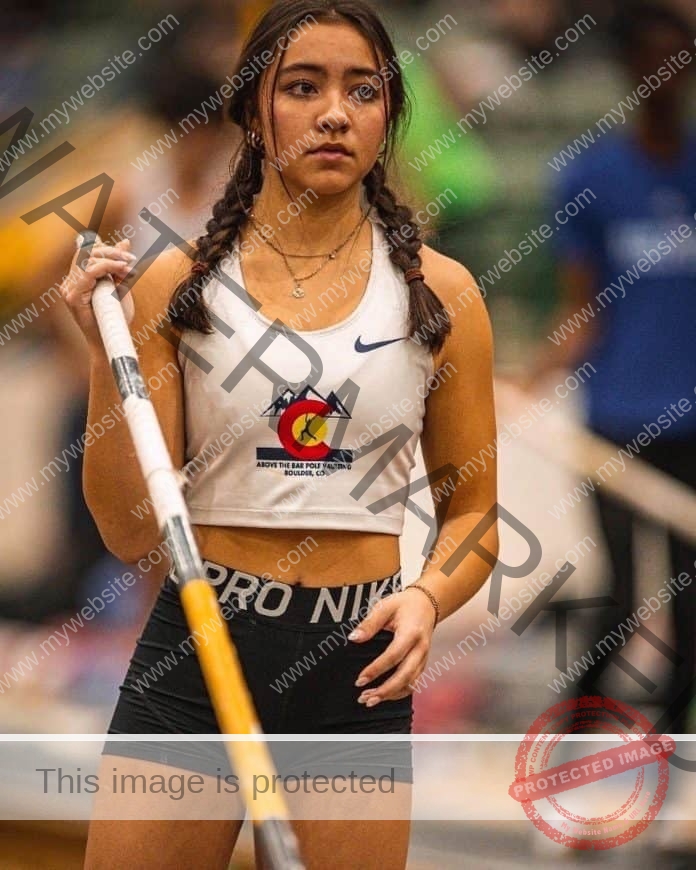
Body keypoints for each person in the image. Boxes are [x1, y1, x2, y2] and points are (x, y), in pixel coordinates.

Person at [59, 2, 498, 868]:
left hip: (355, 669)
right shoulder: (172, 287)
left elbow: (473, 514)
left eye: (362, 90)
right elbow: (129, 530)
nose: (335, 111)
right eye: (303, 87)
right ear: (253, 113)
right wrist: (102, 364)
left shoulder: (444, 295)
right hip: (199, 650)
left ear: (387, 117)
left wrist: (428, 597)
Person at [540, 2, 696, 736]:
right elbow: (583, 311)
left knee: (692, 607)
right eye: (650, 64)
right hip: (616, 421)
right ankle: (569, 741)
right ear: (630, 73)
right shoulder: (589, 175)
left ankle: (671, 760)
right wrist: (524, 381)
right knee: (626, 596)